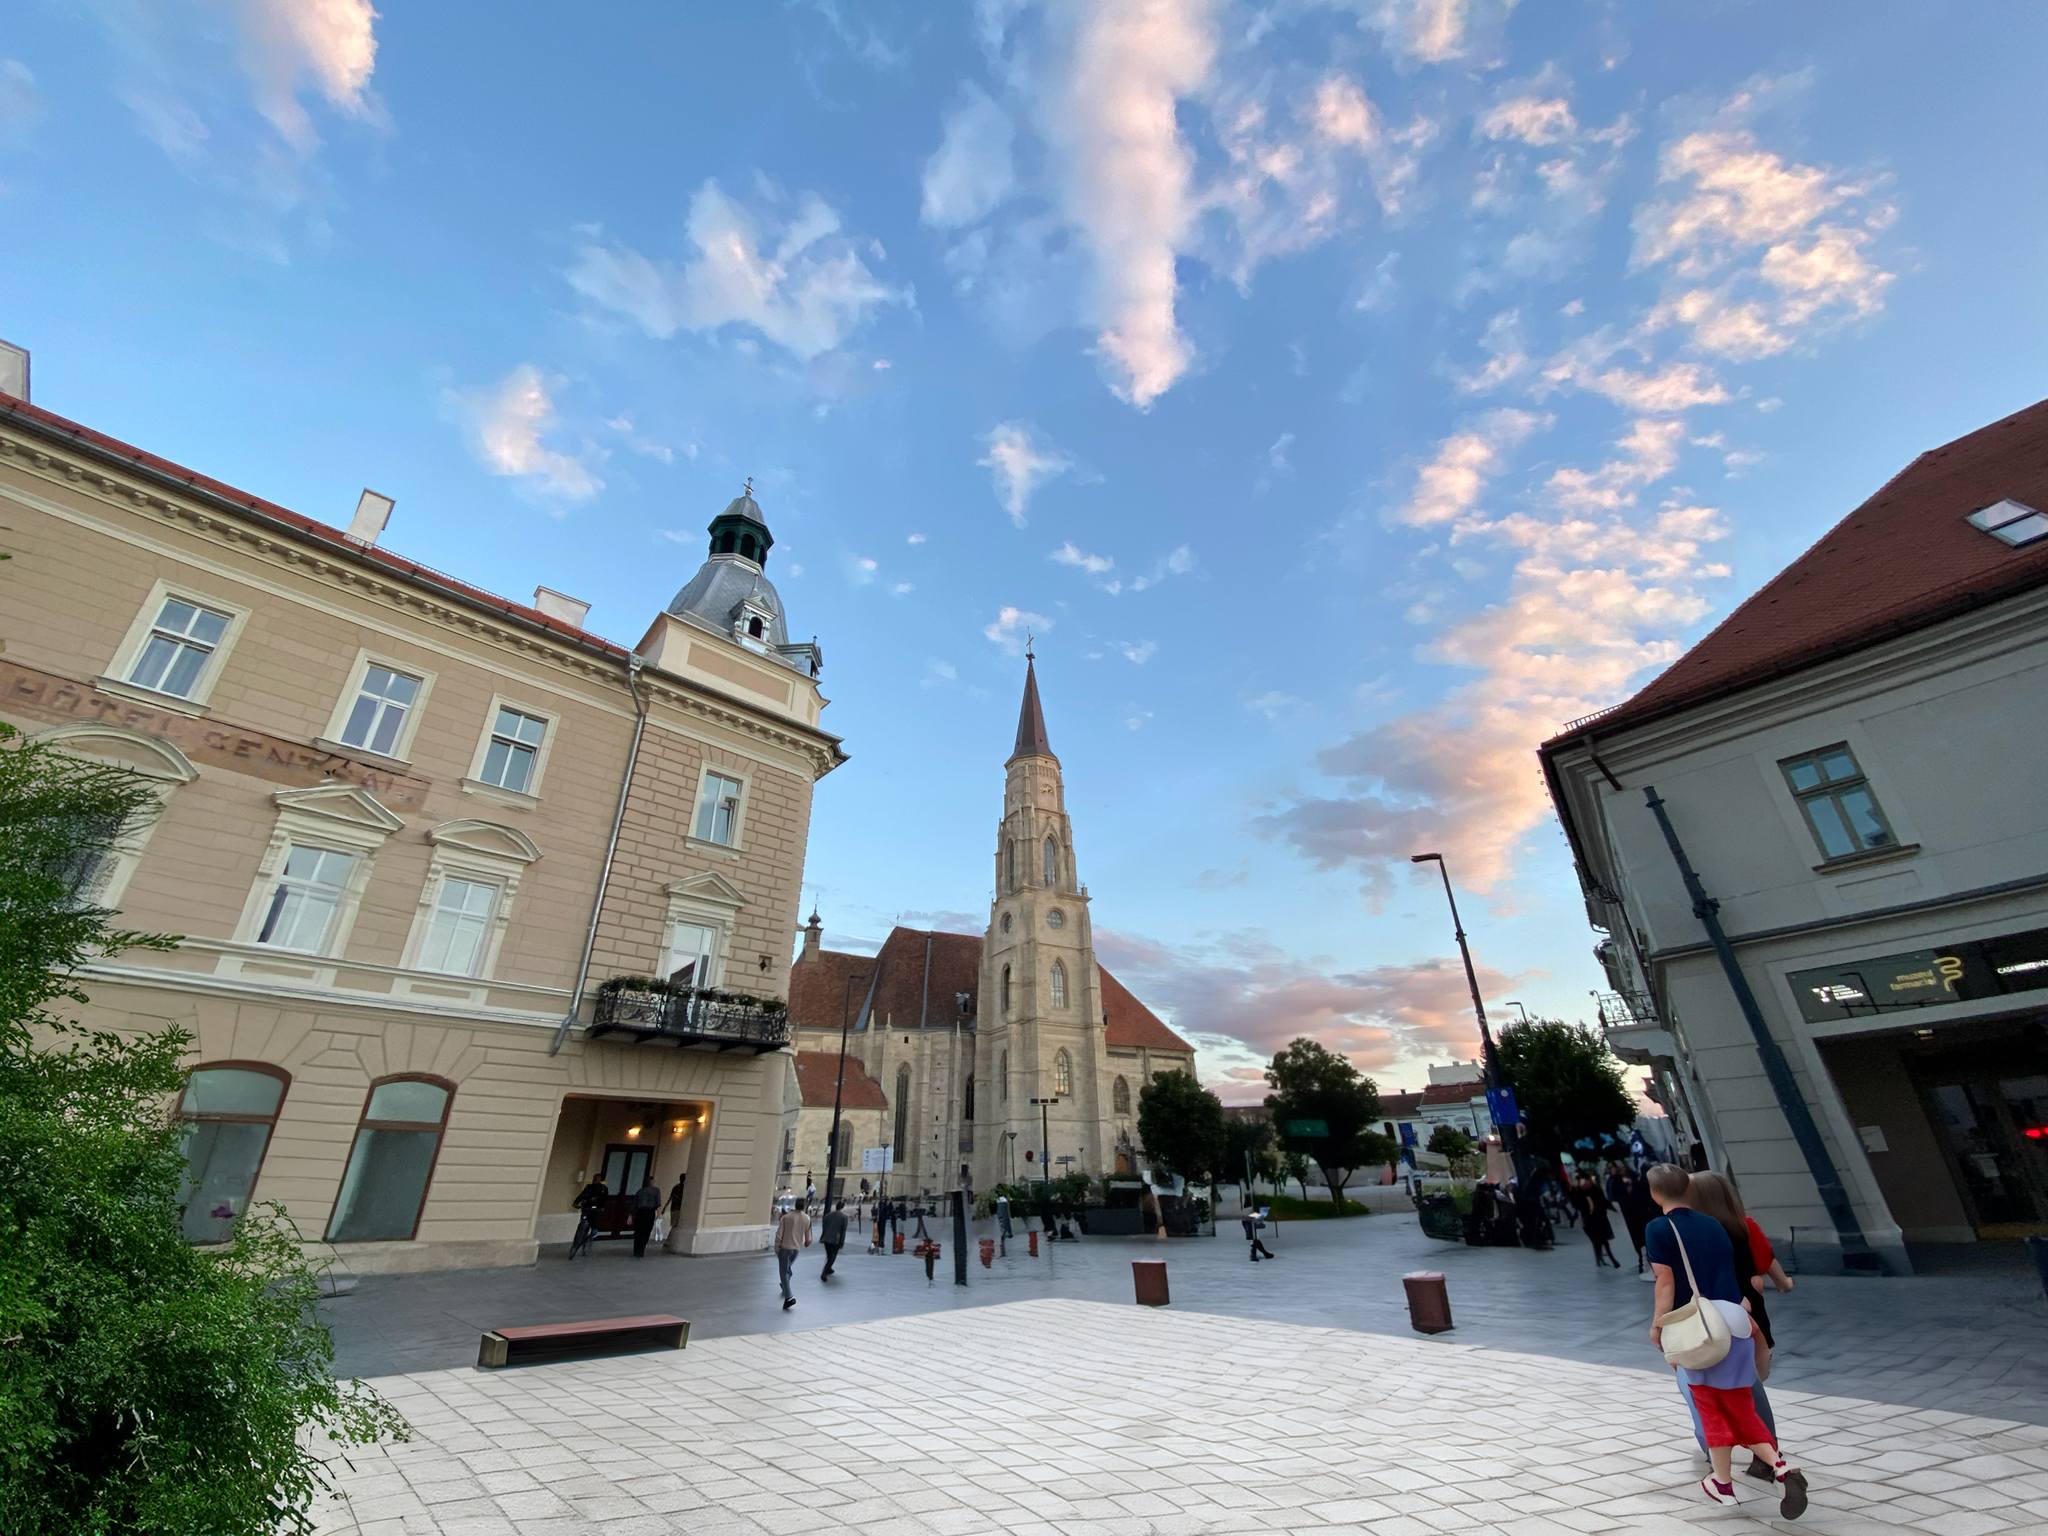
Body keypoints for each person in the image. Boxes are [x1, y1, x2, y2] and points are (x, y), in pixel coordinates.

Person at [1644, 1164, 1807, 1518]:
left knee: (1708, 1406)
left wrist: (1658, 1325)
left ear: (1656, 1194)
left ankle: (1722, 1480)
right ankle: (1776, 1466)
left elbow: (1666, 1283)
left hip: (1699, 1326)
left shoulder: (1659, 1228)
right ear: (1686, 1187)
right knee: (1739, 1404)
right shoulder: (1716, 1225)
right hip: (1735, 1318)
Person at [1609, 1165, 1655, 1278]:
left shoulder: (1637, 1182)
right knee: (1638, 1237)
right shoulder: (1618, 1182)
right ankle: (1643, 1260)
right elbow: (1614, 1195)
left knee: (1642, 1236)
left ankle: (1646, 1260)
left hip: (1640, 1214)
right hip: (1631, 1215)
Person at [1572, 1168, 1621, 1268]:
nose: (1584, 1183)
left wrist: (1612, 1208)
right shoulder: (1579, 1192)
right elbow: (1577, 1204)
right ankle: (1600, 1260)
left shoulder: (1595, 1189)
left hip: (1599, 1218)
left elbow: (1603, 1201)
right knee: (1596, 1241)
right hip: (1589, 1220)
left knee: (1603, 1240)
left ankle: (1608, 1259)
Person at [775, 1197, 813, 1309]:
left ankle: (789, 1297)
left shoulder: (786, 1217)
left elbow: (779, 1235)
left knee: (783, 1272)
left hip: (785, 1248)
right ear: (804, 1206)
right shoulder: (807, 1218)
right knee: (787, 1269)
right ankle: (785, 1285)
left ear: (795, 1205)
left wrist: (777, 1249)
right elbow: (808, 1240)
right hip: (796, 1250)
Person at [568, 1175, 609, 1259]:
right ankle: (576, 1246)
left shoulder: (604, 1188)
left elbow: (605, 1199)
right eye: (595, 1178)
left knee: (594, 1231)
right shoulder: (589, 1187)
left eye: (597, 1178)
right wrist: (576, 1203)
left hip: (596, 1211)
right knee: (582, 1227)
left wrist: (602, 1208)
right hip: (587, 1210)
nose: (595, 1180)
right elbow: (582, 1195)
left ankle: (586, 1241)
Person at [630, 1176, 663, 1258]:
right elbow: (657, 1203)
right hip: (649, 1212)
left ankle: (636, 1250)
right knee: (646, 1231)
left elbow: (634, 1204)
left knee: (638, 1231)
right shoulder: (656, 1191)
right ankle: (641, 1250)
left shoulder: (640, 1191)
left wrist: (630, 1215)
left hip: (640, 1213)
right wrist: (659, 1214)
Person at [819, 1198, 849, 1280]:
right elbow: (843, 1231)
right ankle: (824, 1272)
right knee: (832, 1256)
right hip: (835, 1239)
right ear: (843, 1207)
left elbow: (824, 1227)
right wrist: (841, 1242)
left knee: (829, 1255)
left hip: (826, 1238)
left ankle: (828, 1268)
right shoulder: (844, 1217)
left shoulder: (828, 1215)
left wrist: (823, 1236)